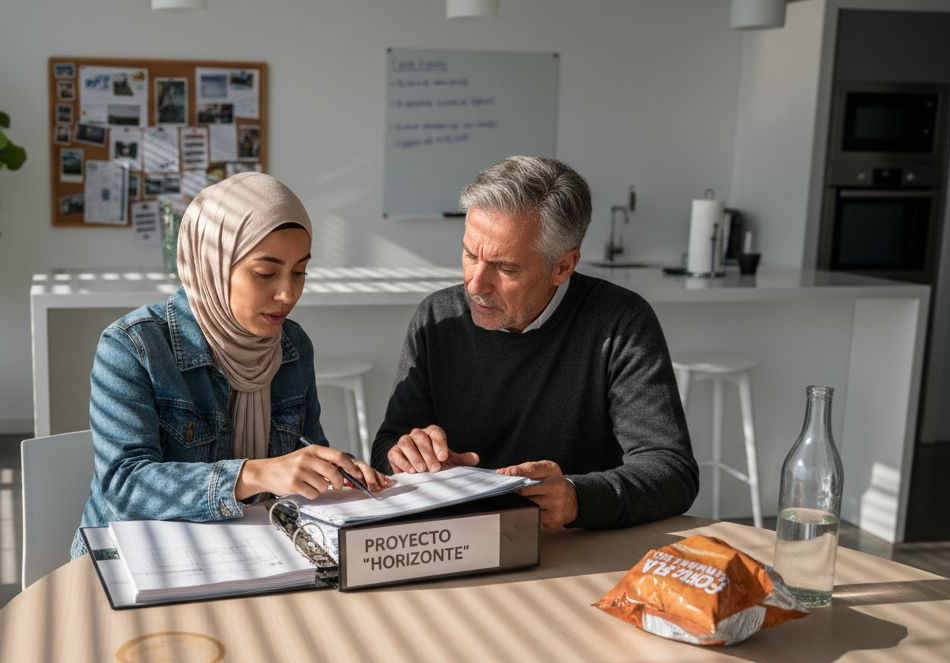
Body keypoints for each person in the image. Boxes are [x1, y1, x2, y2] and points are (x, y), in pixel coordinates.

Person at [371, 156, 697, 530]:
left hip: (575, 549)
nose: (475, 284)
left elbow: (672, 471)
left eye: (505, 268)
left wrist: (577, 498)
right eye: (469, 255)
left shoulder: (620, 322)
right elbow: (385, 449)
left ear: (563, 267)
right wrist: (404, 458)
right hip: (456, 539)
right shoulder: (438, 317)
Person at [74, 173, 389, 557]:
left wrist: (334, 471)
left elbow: (305, 449)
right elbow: (126, 488)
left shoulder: (292, 346)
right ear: (213, 263)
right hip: (136, 560)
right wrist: (254, 473)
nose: (288, 293)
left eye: (300, 271)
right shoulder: (133, 346)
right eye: (265, 273)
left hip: (246, 553)